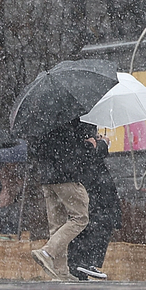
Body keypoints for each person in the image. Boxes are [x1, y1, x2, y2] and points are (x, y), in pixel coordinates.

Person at [28, 118, 96, 281]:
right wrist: (95, 144)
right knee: (80, 218)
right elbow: (83, 147)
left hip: (47, 178)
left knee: (57, 225)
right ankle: (47, 252)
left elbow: (34, 149)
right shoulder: (73, 116)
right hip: (67, 175)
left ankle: (60, 272)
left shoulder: (40, 119)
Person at [68, 133, 122, 280]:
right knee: (98, 222)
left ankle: (79, 265)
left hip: (92, 187)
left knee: (92, 222)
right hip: (95, 188)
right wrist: (102, 143)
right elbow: (89, 155)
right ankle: (85, 262)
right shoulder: (79, 142)